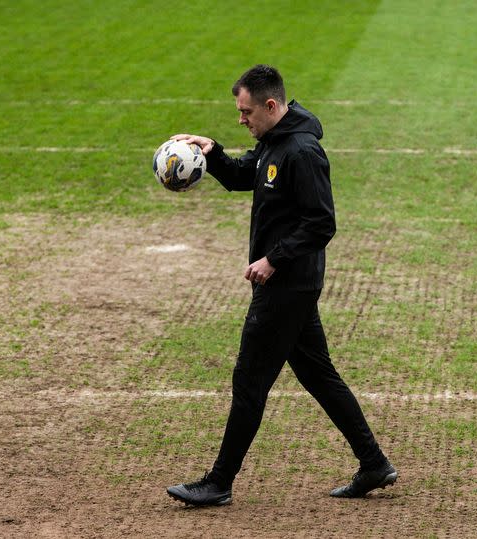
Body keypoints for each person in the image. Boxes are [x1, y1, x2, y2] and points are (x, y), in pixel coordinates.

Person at [166, 65, 396, 506]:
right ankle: (373, 463)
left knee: (249, 381)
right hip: (290, 285)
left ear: (271, 106)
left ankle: (218, 482)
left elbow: (321, 223)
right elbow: (240, 177)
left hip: (287, 285)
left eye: (246, 112)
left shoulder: (302, 152)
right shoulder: (273, 140)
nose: (241, 120)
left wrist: (273, 259)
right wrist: (210, 151)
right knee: (318, 375)